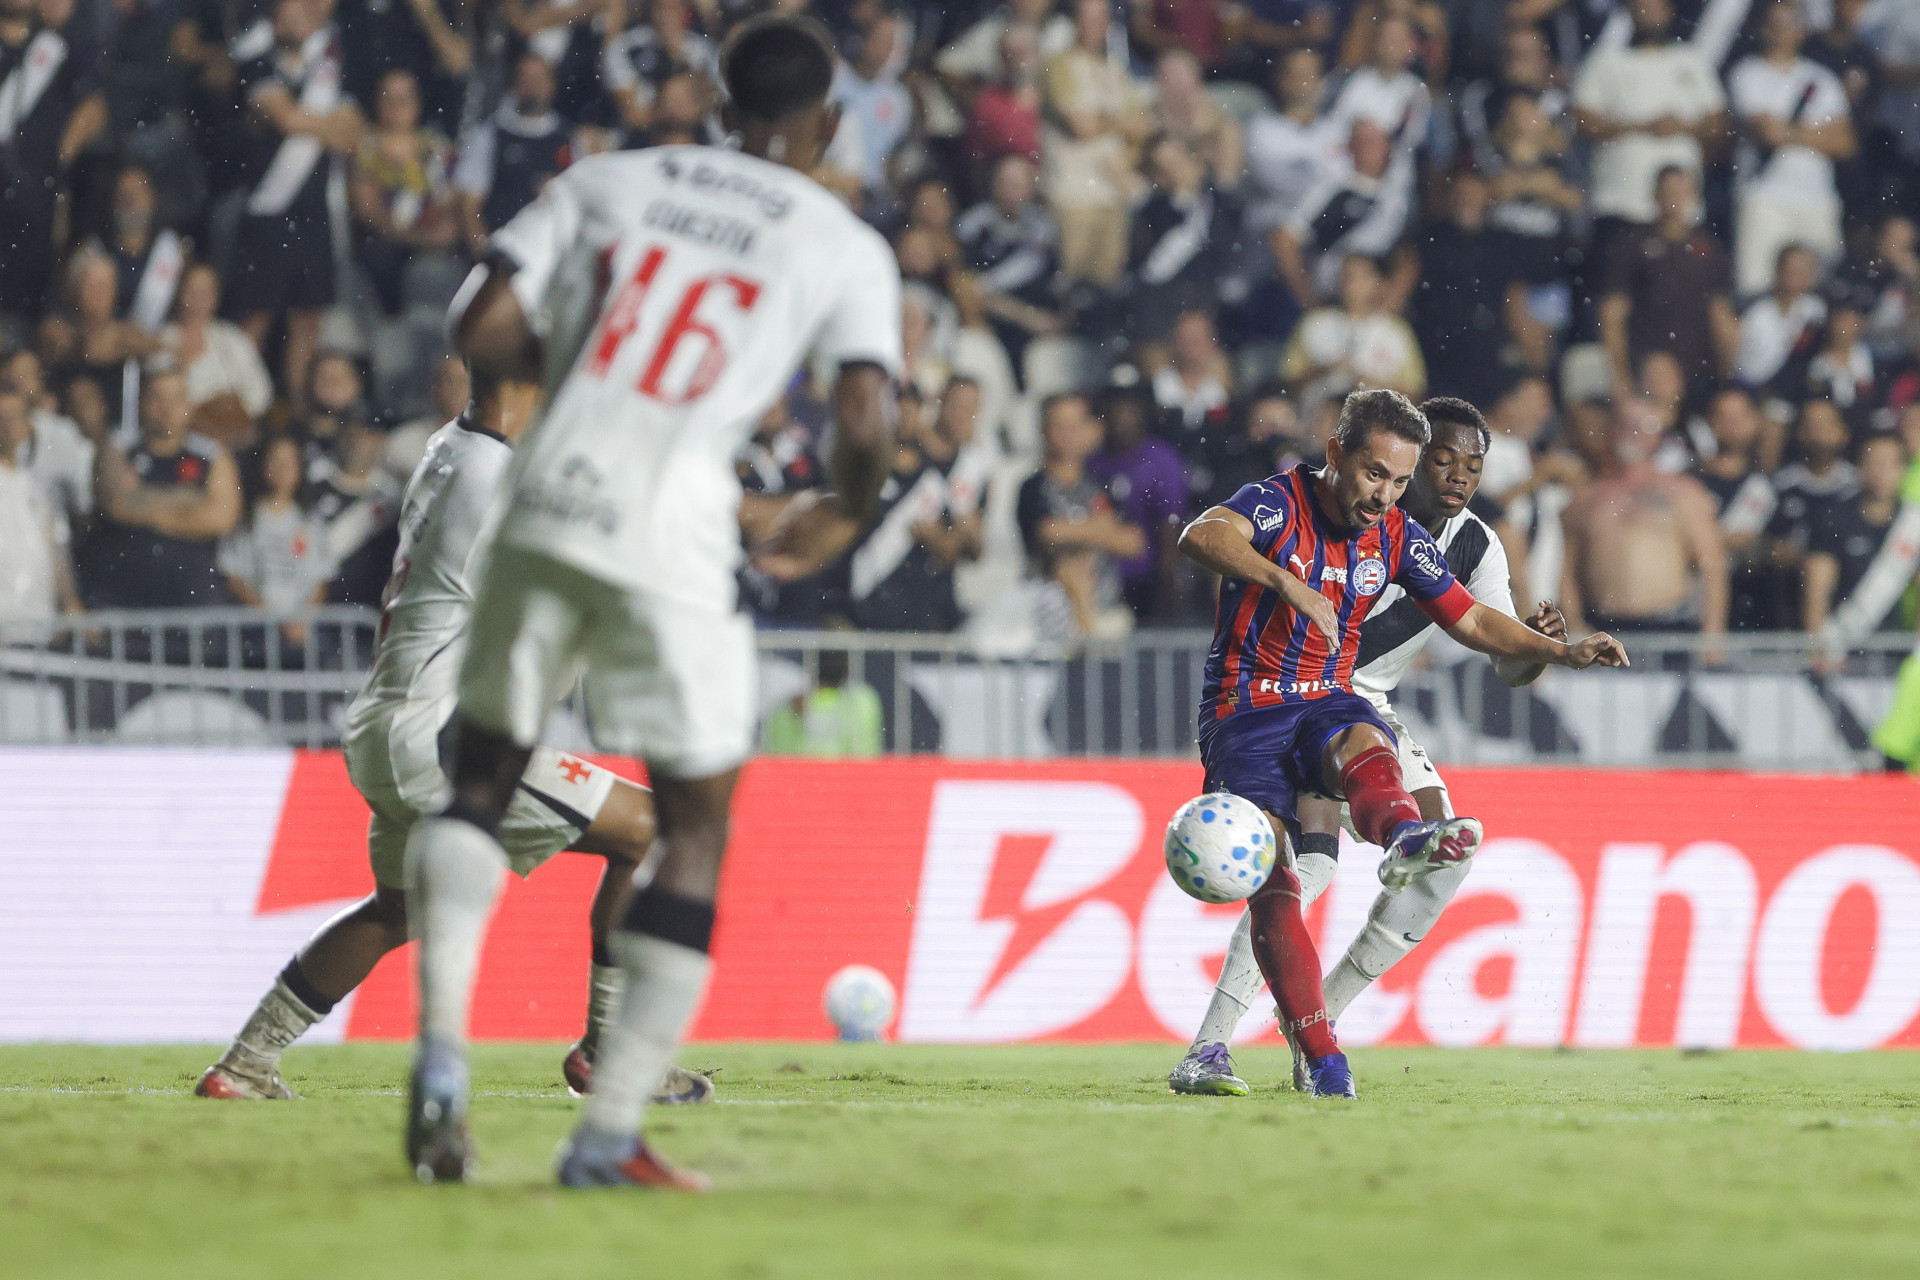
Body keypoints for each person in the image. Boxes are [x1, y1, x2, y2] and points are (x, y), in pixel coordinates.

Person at [404, 15, 900, 1190]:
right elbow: (867, 418)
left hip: (541, 498)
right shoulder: (839, 242)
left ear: (720, 108)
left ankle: (442, 1057)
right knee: (692, 824)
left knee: (479, 777)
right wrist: (843, 509)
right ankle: (610, 1130)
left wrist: (585, 378)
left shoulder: (608, 181)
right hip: (673, 530)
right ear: (828, 124)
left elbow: (479, 324)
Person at [196, 374, 708, 1110]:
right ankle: (610, 1053)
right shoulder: (492, 476)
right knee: (645, 830)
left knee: (394, 910)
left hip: (388, 718)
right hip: (439, 736)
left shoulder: (449, 449)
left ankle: (245, 1064)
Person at [1174, 388, 1627, 1099]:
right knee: (1291, 876)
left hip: (1339, 697)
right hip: (1250, 707)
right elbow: (1201, 536)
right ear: (1339, 454)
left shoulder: (1437, 540)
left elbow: (1478, 627)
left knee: (1409, 801)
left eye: (1466, 468)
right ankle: (1237, 1044)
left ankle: (1398, 850)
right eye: (1389, 472)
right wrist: (1285, 583)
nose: (1394, 491)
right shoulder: (1278, 501)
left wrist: (1556, 651)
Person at [228, 0, 364, 406]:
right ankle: (244, 406)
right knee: (255, 318)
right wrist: (327, 126)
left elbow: (352, 133)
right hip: (268, 210)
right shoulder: (255, 63)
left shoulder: (332, 66)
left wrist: (311, 123)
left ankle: (300, 411)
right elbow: (284, 118)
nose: (299, 18)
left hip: (314, 212)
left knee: (307, 320)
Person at [1560, 397, 1730, 643]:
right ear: (1611, 431)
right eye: (1625, 425)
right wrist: (1574, 623)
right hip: (1603, 630)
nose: (1633, 433)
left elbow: (1712, 565)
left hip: (1669, 629)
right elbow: (1566, 568)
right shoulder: (1587, 497)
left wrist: (1713, 633)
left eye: (1642, 426)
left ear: (1658, 434)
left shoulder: (1684, 493)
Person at [82, 366, 242, 609]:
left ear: (189, 405)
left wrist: (143, 502)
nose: (166, 408)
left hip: (193, 604)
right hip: (124, 601)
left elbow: (221, 518)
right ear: (141, 403)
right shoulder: (117, 448)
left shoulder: (212, 455)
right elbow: (117, 505)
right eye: (157, 398)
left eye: (175, 399)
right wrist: (190, 500)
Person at [1726, 2, 1855, 297]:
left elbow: (1845, 142)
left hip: (1817, 199)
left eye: (1789, 23)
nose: (1781, 31)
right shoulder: (1747, 73)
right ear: (1762, 28)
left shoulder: (1822, 78)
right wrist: (1818, 133)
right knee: (1755, 287)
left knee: (1822, 290)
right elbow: (1766, 132)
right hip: (1763, 195)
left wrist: (1789, 132)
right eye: (1775, 23)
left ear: (1802, 30)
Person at [1598, 165, 1739, 402]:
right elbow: (1613, 313)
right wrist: (1620, 376)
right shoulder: (1632, 244)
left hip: (1699, 366)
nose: (1673, 199)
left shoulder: (1708, 248)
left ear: (1692, 196)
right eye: (1667, 192)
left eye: (1680, 192)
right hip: (1648, 363)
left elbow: (1720, 312)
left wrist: (1728, 373)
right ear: (1655, 195)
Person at [1016, 391, 1144, 640]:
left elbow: (1134, 541)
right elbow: (1047, 531)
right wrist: (1100, 529)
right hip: (1050, 615)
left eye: (1075, 426)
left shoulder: (1101, 485)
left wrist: (1075, 532)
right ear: (1044, 430)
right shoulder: (1034, 487)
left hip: (1105, 608)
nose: (1069, 435)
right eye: (1060, 426)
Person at [1803, 433, 1910, 636]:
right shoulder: (1833, 519)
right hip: (1839, 640)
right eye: (1875, 462)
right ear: (1860, 467)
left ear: (1903, 469)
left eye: (1891, 463)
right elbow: (1817, 590)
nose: (1882, 472)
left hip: (1896, 643)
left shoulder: (1913, 523)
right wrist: (1817, 643)